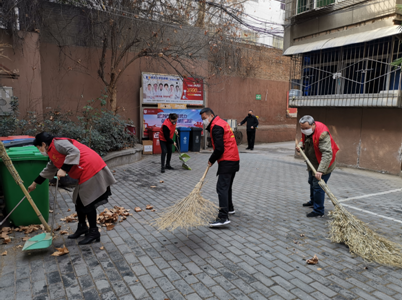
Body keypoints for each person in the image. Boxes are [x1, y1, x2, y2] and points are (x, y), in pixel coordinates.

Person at [28, 132, 116, 244]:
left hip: (91, 168)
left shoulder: (59, 143)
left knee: (87, 202)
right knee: (79, 201)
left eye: (39, 147)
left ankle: (94, 232)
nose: (39, 150)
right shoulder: (51, 151)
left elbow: (74, 151)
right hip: (84, 172)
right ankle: (82, 227)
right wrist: (35, 183)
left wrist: (64, 169)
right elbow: (50, 168)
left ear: (43, 144)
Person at [200, 108, 240, 227]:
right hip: (234, 159)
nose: (203, 121)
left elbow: (219, 149)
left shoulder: (216, 126)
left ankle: (223, 217)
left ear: (211, 116)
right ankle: (230, 208)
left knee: (221, 188)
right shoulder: (222, 123)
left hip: (227, 160)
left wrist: (211, 159)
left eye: (204, 118)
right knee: (227, 187)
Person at [296, 115, 339, 218]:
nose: (304, 130)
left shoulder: (322, 134)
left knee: (318, 187)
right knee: (311, 181)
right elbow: (304, 139)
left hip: (324, 165)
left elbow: (327, 154)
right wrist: (301, 145)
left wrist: (321, 170)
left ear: (313, 125)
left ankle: (318, 211)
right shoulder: (307, 130)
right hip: (313, 163)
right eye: (302, 128)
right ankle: (313, 201)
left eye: (306, 128)